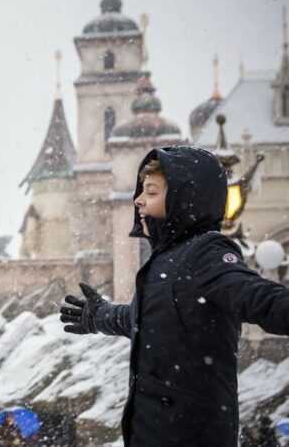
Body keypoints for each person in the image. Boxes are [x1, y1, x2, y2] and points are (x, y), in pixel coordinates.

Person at [59, 145, 289, 447]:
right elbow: (148, 319)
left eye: (152, 193)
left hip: (192, 436)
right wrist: (100, 315)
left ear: (184, 200)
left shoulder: (206, 253)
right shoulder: (164, 262)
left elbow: (259, 297)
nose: (138, 200)